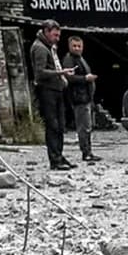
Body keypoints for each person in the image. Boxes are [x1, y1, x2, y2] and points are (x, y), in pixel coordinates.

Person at [28, 20, 74, 170]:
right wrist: (60, 73)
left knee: (60, 125)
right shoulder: (40, 48)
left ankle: (59, 155)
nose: (57, 38)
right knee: (53, 125)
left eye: (58, 35)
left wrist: (62, 79)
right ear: (46, 32)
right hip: (47, 91)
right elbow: (40, 73)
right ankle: (55, 159)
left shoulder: (50, 47)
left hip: (56, 89)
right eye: (55, 35)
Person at [61, 34, 100, 163]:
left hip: (86, 97)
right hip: (79, 98)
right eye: (74, 46)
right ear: (69, 46)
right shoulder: (69, 60)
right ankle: (86, 152)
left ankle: (88, 151)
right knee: (84, 127)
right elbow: (69, 77)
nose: (77, 48)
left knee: (87, 126)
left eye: (79, 46)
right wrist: (85, 78)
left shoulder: (80, 59)